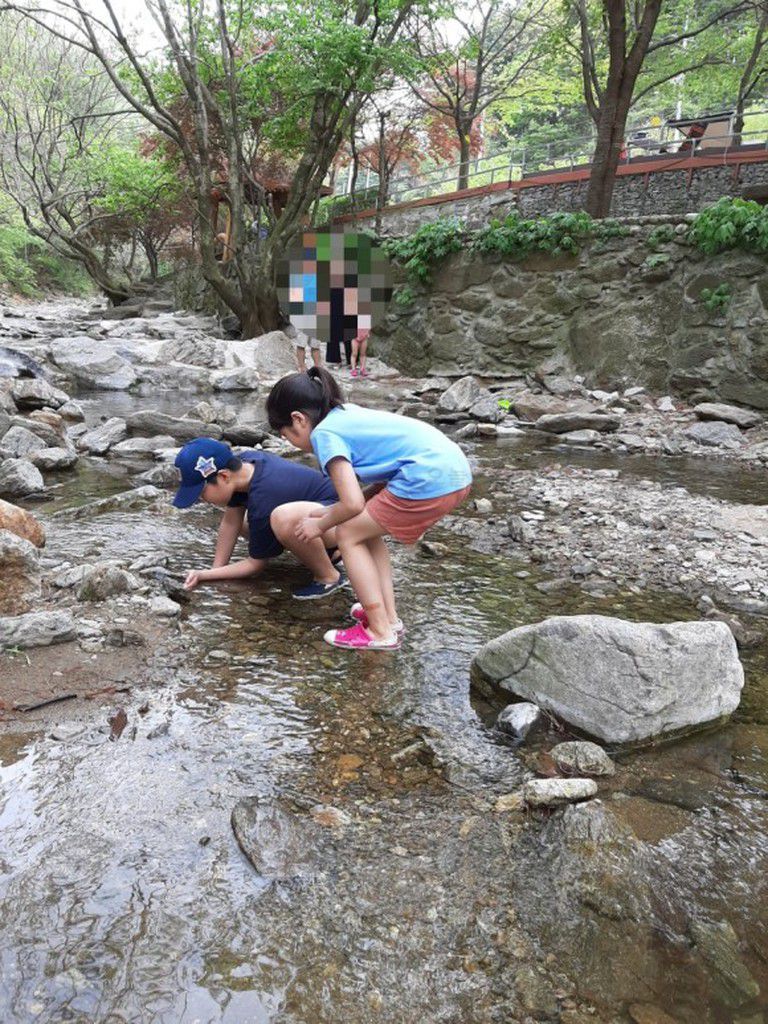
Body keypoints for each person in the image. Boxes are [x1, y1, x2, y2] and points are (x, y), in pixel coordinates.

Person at [265, 368, 472, 650]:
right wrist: (330, 512)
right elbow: (367, 494)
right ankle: (388, 618)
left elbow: (352, 504)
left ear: (298, 419)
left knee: (348, 534)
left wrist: (320, 525)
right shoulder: (345, 415)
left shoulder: (324, 435)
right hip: (454, 473)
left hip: (427, 478)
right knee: (364, 530)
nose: (290, 441)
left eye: (285, 434)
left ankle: (378, 630)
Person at [172, 437, 347, 599]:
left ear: (224, 476)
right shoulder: (243, 466)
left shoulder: (264, 496)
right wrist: (215, 571)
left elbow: (255, 565)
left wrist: (203, 575)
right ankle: (326, 553)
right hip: (317, 514)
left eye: (201, 493)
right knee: (245, 522)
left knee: (284, 518)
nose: (201, 499)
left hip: (342, 520)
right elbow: (231, 523)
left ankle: (328, 576)